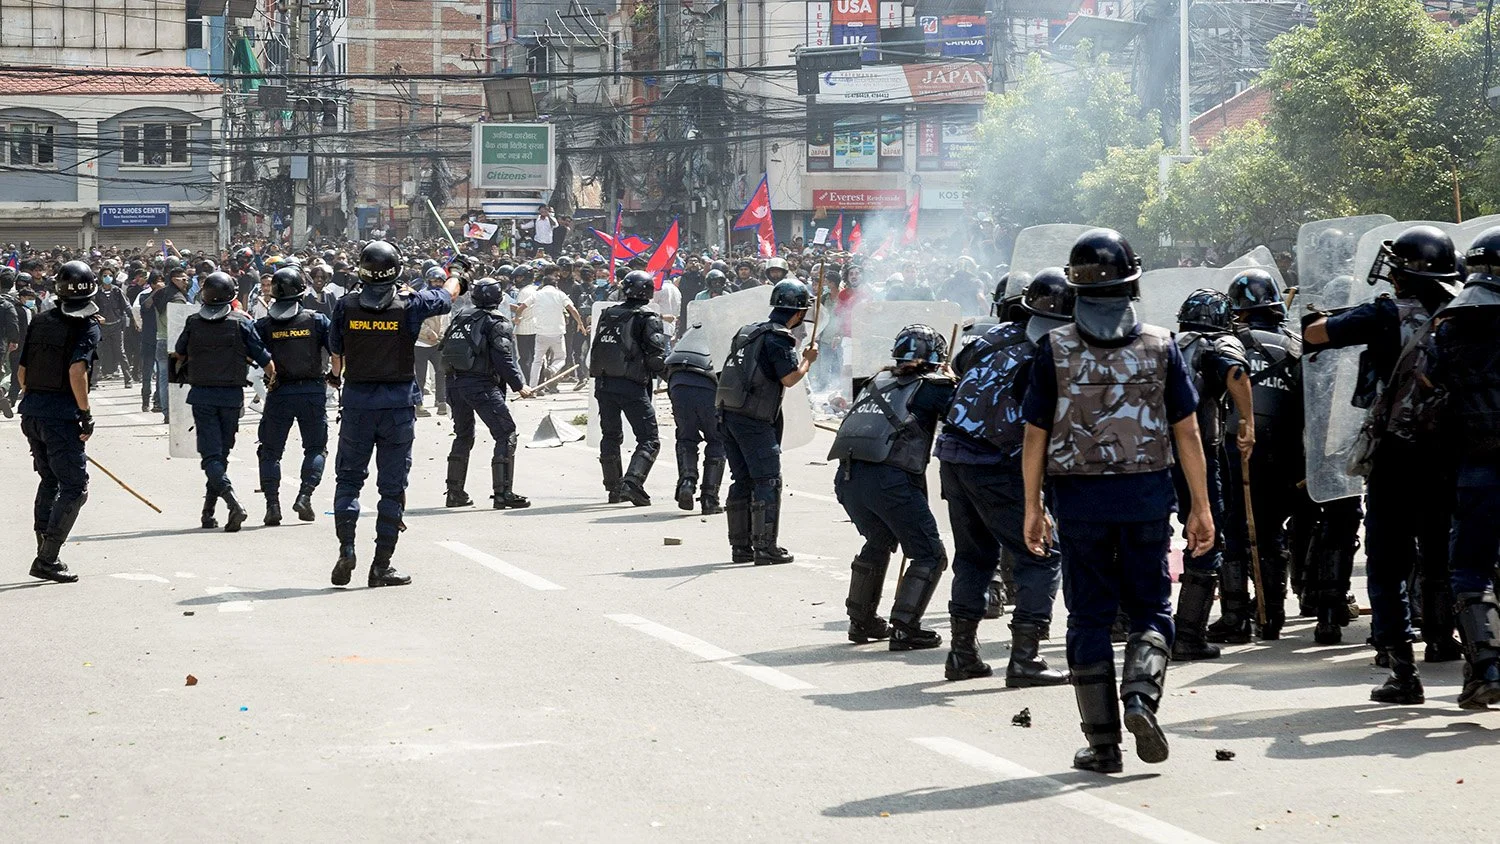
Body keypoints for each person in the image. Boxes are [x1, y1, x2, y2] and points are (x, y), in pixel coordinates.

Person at [1021, 228, 1215, 773]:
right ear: (1133, 281)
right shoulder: (1161, 345)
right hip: (1147, 501)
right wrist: (1200, 507)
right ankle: (1140, 697)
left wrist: (1033, 507)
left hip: (1078, 506)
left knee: (1087, 619)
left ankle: (1103, 746)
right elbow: (1189, 432)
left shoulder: (1053, 349)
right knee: (1152, 609)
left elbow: (1034, 435)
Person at [1303, 224, 1463, 704]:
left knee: (1387, 562)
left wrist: (1325, 315)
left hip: (1395, 455)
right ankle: (1445, 640)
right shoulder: (1465, 312)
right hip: (1450, 454)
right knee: (1442, 556)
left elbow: (1315, 334)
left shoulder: (1384, 314)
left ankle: (1401, 671)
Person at [938, 269, 1073, 685]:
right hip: (999, 463)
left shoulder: (989, 338)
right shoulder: (1048, 352)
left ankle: (962, 655)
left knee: (974, 557)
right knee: (1041, 555)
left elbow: (957, 367)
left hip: (954, 456)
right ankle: (1026, 659)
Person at [328, 241, 462, 588]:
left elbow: (336, 350)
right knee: (391, 488)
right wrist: (457, 274)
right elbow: (446, 297)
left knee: (348, 481)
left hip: (357, 403)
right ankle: (380, 565)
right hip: (398, 407)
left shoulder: (345, 306)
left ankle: (346, 549)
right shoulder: (412, 303)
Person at [829, 324, 956, 650]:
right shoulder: (934, 387)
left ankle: (862, 621)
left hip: (849, 478)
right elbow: (961, 417)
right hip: (892, 480)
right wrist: (954, 380)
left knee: (879, 539)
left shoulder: (875, 382)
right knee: (929, 554)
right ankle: (905, 627)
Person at [1428, 226, 1500, 709]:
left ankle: (1487, 667)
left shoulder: (1447, 329)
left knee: (1471, 569)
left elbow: (1427, 398)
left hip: (1475, 469)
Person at [1169, 289, 1254, 660]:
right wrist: (1247, 419)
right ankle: (1188, 634)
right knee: (1207, 533)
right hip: (1200, 450)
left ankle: (1133, 621)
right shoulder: (1220, 344)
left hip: (1156, 453)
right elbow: (1236, 371)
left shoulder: (1171, 343)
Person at [715, 279, 818, 564]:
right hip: (753, 418)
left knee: (743, 479)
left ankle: (741, 547)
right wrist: (808, 359)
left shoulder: (749, 332)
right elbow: (789, 378)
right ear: (797, 313)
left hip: (729, 412)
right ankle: (765, 548)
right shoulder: (779, 338)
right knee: (767, 480)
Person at [171, 271, 274, 533]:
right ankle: (207, 513)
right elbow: (265, 360)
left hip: (202, 397)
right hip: (231, 399)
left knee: (211, 457)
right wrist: (274, 383)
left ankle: (232, 503)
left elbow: (178, 354)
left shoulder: (194, 322)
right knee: (221, 455)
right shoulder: (241, 324)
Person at [16, 261, 100, 582]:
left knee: (50, 480)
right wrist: (85, 415)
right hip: (61, 417)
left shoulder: (40, 320)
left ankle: (43, 548)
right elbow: (77, 372)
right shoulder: (88, 326)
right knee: (75, 487)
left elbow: (23, 373)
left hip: (32, 411)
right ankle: (47, 559)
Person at [442, 277, 534, 509]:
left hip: (454, 383)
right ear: (500, 298)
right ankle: (503, 493)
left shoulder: (460, 317)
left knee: (463, 435)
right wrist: (519, 385)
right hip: (481, 384)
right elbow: (503, 358)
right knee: (506, 434)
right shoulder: (497, 322)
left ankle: (454, 493)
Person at [254, 265, 331, 526]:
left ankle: (272, 506)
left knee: (270, 452)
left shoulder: (264, 325)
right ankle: (305, 496)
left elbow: (251, 352)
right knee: (316, 448)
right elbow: (338, 349)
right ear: (302, 292)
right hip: (312, 391)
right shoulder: (317, 320)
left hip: (279, 393)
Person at [588, 270, 668, 505]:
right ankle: (632, 483)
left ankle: (614, 489)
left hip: (603, 384)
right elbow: (656, 357)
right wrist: (673, 377)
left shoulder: (608, 314)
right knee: (649, 438)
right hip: (632, 385)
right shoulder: (647, 317)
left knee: (610, 435)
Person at [664, 322, 724, 514]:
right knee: (717, 439)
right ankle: (709, 498)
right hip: (707, 385)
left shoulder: (694, 329)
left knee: (686, 438)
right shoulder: (726, 331)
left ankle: (687, 484)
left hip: (677, 383)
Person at [529, 266, 584, 386]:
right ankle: (548, 377)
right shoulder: (558, 293)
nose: (559, 277)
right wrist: (580, 323)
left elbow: (523, 306)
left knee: (538, 360)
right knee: (558, 358)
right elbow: (572, 309)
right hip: (556, 331)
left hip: (541, 331)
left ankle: (538, 386)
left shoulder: (538, 292)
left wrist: (517, 318)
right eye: (556, 275)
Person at [413, 266, 451, 417]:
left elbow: (447, 318)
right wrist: (429, 333)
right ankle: (419, 404)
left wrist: (443, 335)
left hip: (438, 343)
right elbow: (416, 319)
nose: (436, 283)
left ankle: (441, 402)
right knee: (420, 375)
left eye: (439, 281)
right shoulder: (421, 296)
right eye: (433, 281)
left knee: (441, 372)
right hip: (420, 343)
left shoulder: (445, 296)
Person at [93, 270, 133, 389]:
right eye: (105, 276)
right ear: (101, 277)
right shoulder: (97, 293)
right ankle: (93, 381)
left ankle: (128, 379)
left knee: (120, 353)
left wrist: (135, 320)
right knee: (99, 353)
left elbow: (127, 307)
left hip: (116, 326)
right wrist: (97, 317)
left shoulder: (117, 291)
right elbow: (93, 308)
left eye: (110, 275)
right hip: (102, 327)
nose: (107, 278)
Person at [511, 265, 539, 379]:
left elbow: (520, 309)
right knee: (536, 357)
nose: (517, 280)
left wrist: (505, 304)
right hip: (537, 327)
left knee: (523, 359)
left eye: (519, 278)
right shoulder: (536, 289)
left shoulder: (524, 292)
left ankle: (529, 381)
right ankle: (539, 382)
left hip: (524, 328)